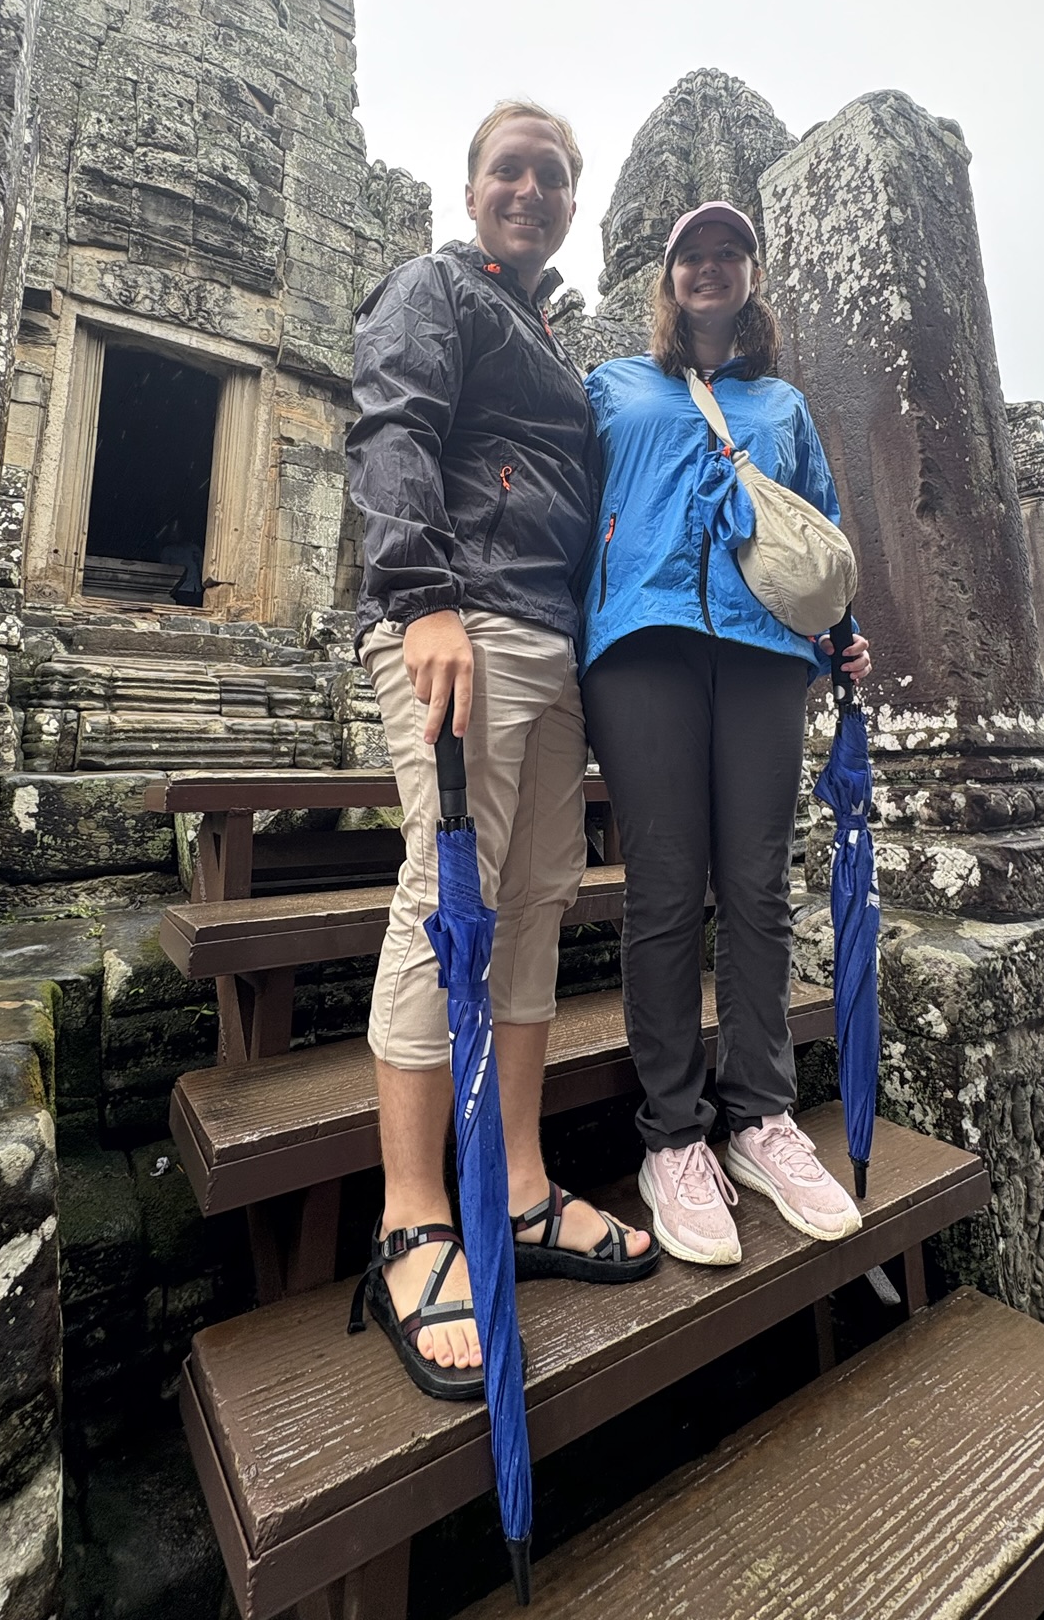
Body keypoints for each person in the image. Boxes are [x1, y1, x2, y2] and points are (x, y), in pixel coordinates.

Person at [345, 100, 656, 1401]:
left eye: (552, 176)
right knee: (448, 897)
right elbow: (395, 430)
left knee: (535, 905)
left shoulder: (549, 342)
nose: (530, 191)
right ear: (473, 187)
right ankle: (413, 1220)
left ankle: (521, 1184)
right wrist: (421, 598)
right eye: (509, 170)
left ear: (572, 201)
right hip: (461, 623)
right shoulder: (436, 289)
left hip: (550, 643)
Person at [579, 201, 873, 1267]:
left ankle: (761, 1117)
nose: (709, 268)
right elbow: (573, 514)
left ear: (751, 275)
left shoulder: (783, 404)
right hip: (641, 640)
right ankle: (672, 1134)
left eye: (727, 254)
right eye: (691, 256)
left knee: (757, 883)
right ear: (667, 279)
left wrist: (844, 636)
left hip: (761, 652)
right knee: (665, 885)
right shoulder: (613, 386)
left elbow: (818, 528)